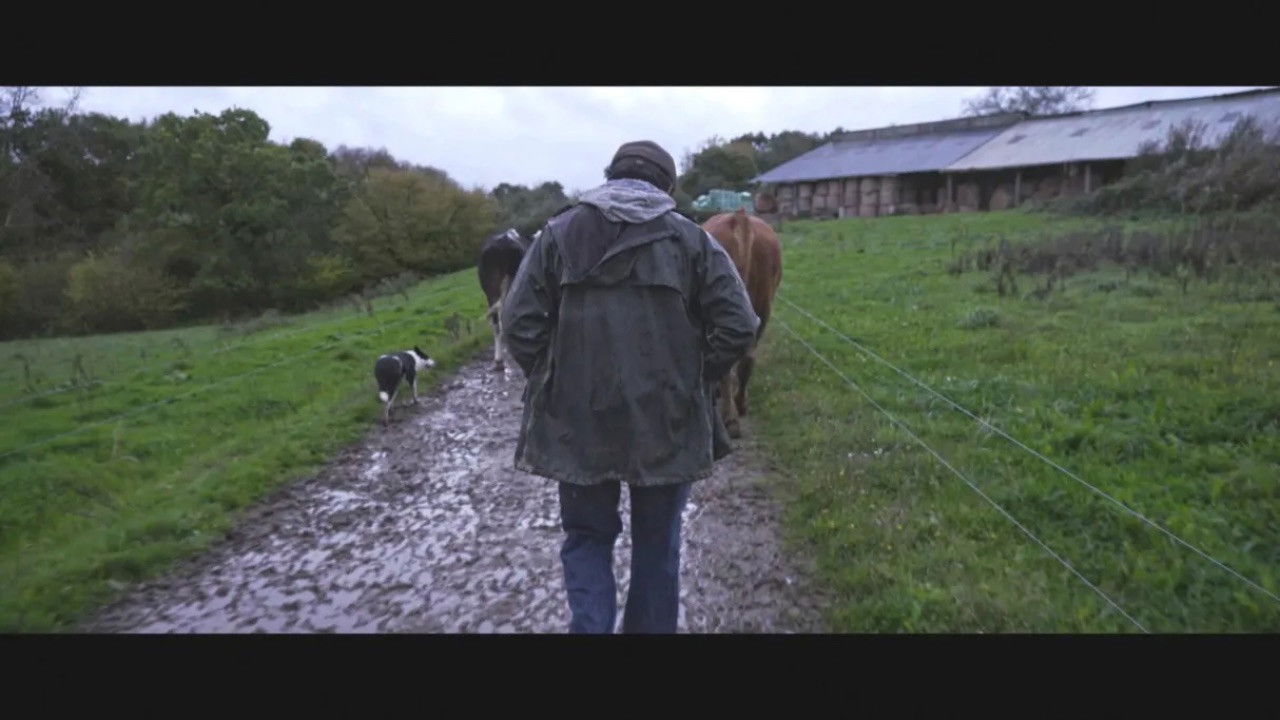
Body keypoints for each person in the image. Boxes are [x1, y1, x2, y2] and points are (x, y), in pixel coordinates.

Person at [500, 140, 759, 634]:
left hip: (577, 421)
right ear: (667, 187)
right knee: (658, 545)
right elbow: (739, 325)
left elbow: (519, 325)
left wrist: (556, 379)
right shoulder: (690, 239)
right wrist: (695, 377)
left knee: (587, 537)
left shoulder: (557, 233)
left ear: (610, 176)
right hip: (668, 419)